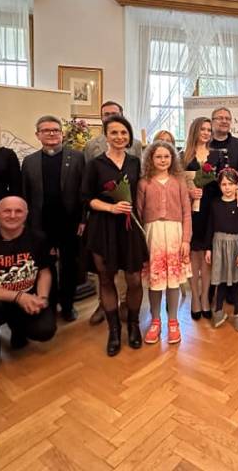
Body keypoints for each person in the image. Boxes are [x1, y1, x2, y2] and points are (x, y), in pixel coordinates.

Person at [82, 114, 149, 356]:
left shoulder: (135, 162)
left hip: (130, 227)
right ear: (106, 136)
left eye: (123, 132)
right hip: (103, 227)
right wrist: (111, 208)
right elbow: (86, 198)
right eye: (114, 133)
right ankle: (113, 331)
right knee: (106, 279)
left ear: (129, 136)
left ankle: (133, 325)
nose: (119, 137)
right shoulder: (95, 164)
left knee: (134, 280)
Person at [0, 196, 56, 380]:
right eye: (6, 211)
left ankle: (18, 330)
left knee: (45, 329)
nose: (12, 215)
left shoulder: (38, 238)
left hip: (28, 299)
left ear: (26, 214)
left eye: (18, 211)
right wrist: (19, 297)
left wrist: (42, 299)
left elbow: (44, 273)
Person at [21, 116, 85, 323]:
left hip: (70, 222)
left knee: (69, 266)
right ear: (37, 135)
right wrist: (27, 224)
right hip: (41, 223)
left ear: (62, 134)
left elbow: (84, 191)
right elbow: (25, 194)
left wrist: (83, 220)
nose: (51, 133)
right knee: (45, 266)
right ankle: (49, 303)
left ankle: (67, 305)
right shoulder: (29, 162)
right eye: (46, 130)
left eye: (55, 130)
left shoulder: (77, 158)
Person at [137, 141, 192, 345]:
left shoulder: (179, 182)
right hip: (153, 235)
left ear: (172, 158)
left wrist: (186, 240)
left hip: (175, 234)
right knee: (155, 281)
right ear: (150, 159)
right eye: (158, 156)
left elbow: (187, 213)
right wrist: (141, 241)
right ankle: (155, 320)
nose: (162, 160)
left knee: (173, 282)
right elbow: (138, 214)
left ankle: (173, 321)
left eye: (166, 156)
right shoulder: (144, 183)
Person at [182, 116, 220, 320]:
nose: (206, 133)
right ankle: (195, 299)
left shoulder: (217, 156)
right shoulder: (183, 156)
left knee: (207, 257)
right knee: (193, 257)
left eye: (208, 130)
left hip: (211, 211)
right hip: (191, 212)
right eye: (202, 129)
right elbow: (177, 185)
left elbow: (224, 183)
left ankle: (205, 297)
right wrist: (189, 192)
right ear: (195, 131)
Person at [205, 168, 238, 331]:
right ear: (219, 186)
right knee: (221, 280)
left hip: (235, 247)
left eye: (231, 184)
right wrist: (208, 249)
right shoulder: (215, 204)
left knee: (236, 282)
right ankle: (218, 311)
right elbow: (210, 227)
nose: (227, 187)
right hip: (218, 246)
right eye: (224, 184)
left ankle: (237, 313)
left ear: (237, 185)